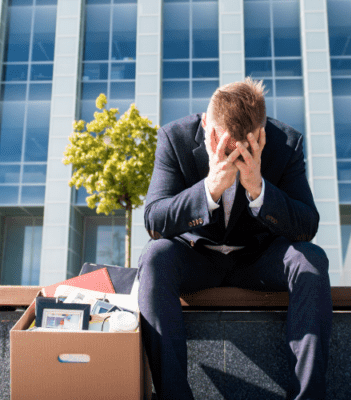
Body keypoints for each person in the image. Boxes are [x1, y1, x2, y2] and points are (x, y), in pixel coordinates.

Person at [139, 78, 332, 400]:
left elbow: (306, 226)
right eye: (223, 145)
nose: (231, 154)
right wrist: (209, 190)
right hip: (195, 257)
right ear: (205, 124)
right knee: (155, 256)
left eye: (243, 148)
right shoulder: (175, 138)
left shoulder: (287, 144)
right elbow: (154, 221)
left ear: (262, 134)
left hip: (258, 259)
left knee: (310, 259)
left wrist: (259, 189)